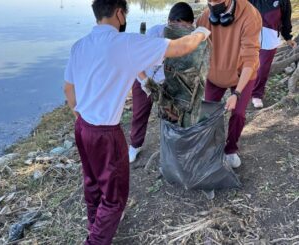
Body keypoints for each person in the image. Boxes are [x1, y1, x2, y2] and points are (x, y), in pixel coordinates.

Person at [64, 0, 210, 244]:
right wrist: (201, 32)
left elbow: (68, 89)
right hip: (106, 134)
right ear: (120, 14)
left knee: (92, 183)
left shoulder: (79, 46)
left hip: (82, 128)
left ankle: (95, 225)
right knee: (114, 197)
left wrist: (80, 116)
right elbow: (179, 47)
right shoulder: (126, 43)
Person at [196, 0, 262, 168]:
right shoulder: (204, 17)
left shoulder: (250, 15)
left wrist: (236, 93)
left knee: (238, 113)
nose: (212, 3)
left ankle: (231, 149)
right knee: (208, 113)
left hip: (242, 74)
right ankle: (210, 148)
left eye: (217, 1)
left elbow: (250, 59)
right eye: (209, 1)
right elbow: (195, 47)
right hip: (215, 74)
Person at [129, 2, 195, 163]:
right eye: (176, 25)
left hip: (165, 83)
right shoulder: (154, 34)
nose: (179, 30)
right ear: (169, 21)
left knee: (171, 115)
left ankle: (172, 146)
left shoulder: (188, 39)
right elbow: (135, 60)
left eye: (185, 27)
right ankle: (135, 145)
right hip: (144, 78)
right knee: (139, 113)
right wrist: (146, 83)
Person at [249, 0, 297, 108]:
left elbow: (285, 18)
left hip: (269, 38)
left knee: (262, 68)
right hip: (249, 36)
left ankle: (256, 95)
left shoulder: (283, 1)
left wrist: (288, 37)